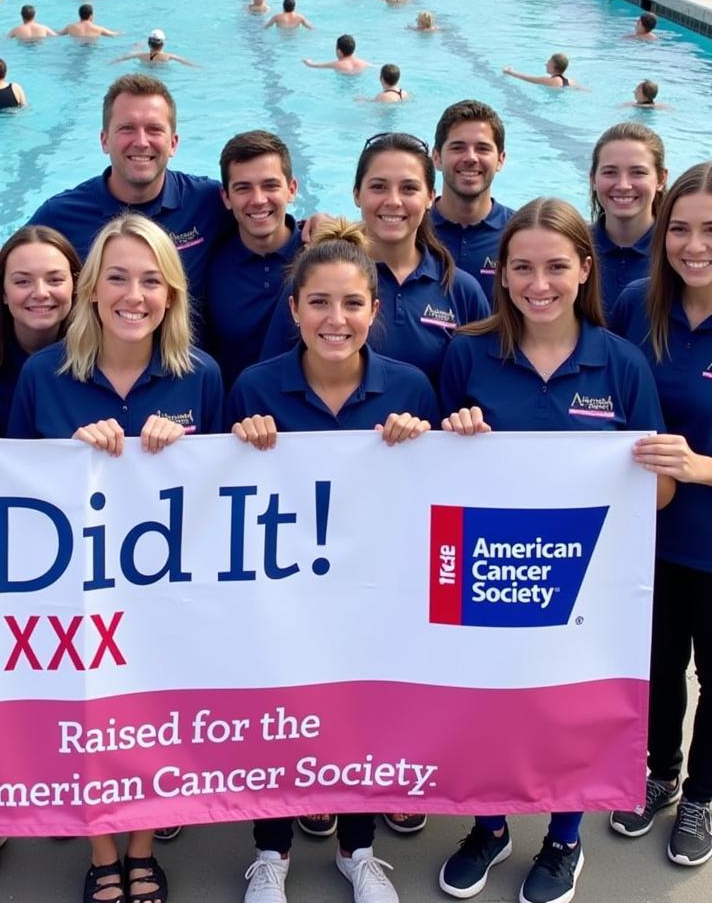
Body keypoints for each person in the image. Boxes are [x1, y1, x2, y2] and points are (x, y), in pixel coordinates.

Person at [437, 198, 672, 903]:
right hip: (486, 566)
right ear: (501, 275)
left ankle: (565, 839)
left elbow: (657, 500)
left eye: (556, 267)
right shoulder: (467, 354)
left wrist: (645, 472)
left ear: (585, 269)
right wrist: (455, 436)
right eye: (523, 268)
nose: (540, 283)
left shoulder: (621, 364)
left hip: (584, 577)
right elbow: (426, 482)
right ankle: (489, 824)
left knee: (569, 709)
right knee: (482, 702)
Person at [7, 213, 222, 903]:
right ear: (92, 290)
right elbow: (8, 486)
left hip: (164, 586)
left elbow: (226, 490)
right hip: (74, 588)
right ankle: (102, 849)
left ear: (171, 295)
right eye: (118, 278)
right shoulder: (44, 375)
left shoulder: (202, 377)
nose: (134, 295)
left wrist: (183, 452)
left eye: (151, 281)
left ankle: (141, 842)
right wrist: (73, 453)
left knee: (154, 711)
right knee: (89, 714)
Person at [231, 224, 437, 903]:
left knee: (364, 714)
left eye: (351, 304)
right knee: (279, 714)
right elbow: (218, 495)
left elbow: (436, 491)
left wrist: (425, 439)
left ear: (374, 310)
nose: (335, 319)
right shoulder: (255, 389)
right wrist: (241, 441)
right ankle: (270, 851)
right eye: (319, 302)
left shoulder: (409, 388)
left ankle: (359, 847)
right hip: (282, 592)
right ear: (294, 310)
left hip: (373, 591)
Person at [608, 161, 712, 868]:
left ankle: (701, 796)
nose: (693, 244)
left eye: (710, 229)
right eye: (680, 228)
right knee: (658, 663)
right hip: (647, 537)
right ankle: (659, 771)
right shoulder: (639, 305)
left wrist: (704, 467)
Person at [263, 133, 490, 388]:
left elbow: (485, 386)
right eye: (379, 187)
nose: (393, 201)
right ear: (357, 194)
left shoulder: (461, 291)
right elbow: (271, 381)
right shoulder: (315, 283)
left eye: (409, 188)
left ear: (430, 198)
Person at [22, 75, 230, 302]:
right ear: (104, 141)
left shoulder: (208, 201)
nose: (141, 142)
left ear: (173, 143)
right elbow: (10, 266)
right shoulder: (61, 216)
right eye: (127, 128)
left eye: (154, 129)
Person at [0, 226, 80, 441]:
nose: (40, 293)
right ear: (3, 291)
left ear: (75, 284)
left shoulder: (102, 347)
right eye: (22, 281)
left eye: (55, 280)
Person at [205, 130, 303, 387]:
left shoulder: (322, 256)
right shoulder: (209, 264)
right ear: (226, 197)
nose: (258, 200)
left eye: (270, 186)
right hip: (238, 420)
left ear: (291, 190)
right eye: (243, 188)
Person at [429, 100, 513, 301]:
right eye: (458, 147)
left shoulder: (520, 232)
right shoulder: (412, 230)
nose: (471, 158)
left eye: (483, 148)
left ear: (500, 159)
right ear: (437, 157)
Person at [589, 122, 667, 317]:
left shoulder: (679, 253)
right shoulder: (573, 247)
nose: (623, 185)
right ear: (593, 180)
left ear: (661, 179)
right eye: (610, 172)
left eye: (638, 172)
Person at [112, 30, 198, 68]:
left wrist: (137, 47)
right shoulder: (169, 57)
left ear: (148, 43)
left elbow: (120, 59)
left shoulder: (140, 56)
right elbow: (190, 64)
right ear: (163, 44)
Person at [502, 53, 578, 88]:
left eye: (548, 62)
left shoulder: (549, 80)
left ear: (553, 66)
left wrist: (510, 72)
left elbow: (528, 78)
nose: (546, 64)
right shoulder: (570, 81)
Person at [303, 34, 370, 74]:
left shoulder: (337, 64)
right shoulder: (363, 63)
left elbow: (316, 66)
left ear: (339, 52)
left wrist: (308, 62)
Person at [56, 4, 120, 39]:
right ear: (91, 16)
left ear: (79, 15)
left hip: (76, 47)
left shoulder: (70, 27)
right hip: (91, 48)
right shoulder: (99, 29)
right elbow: (113, 35)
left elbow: (57, 34)